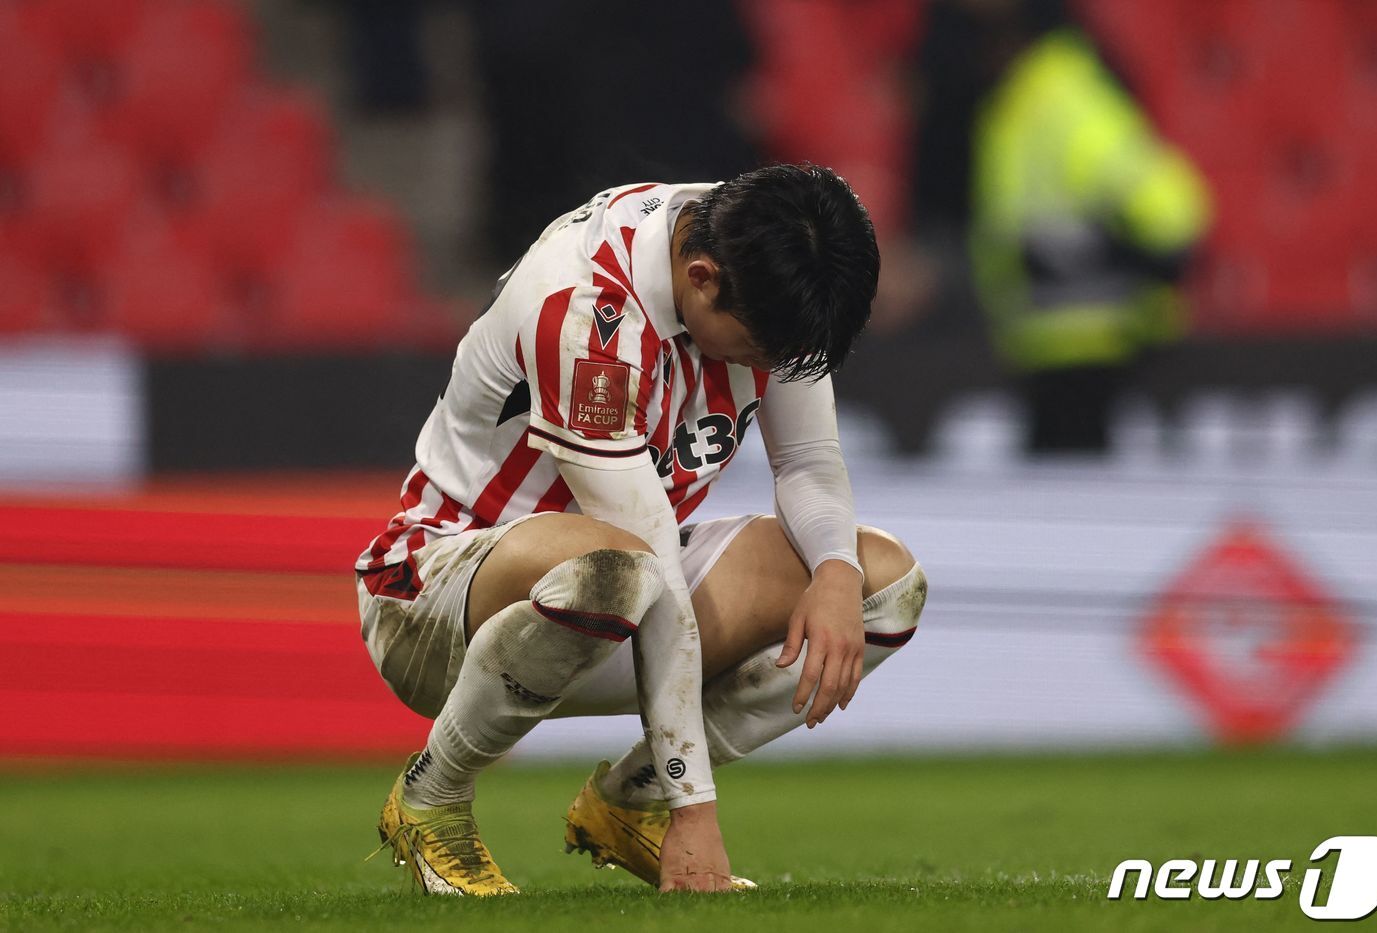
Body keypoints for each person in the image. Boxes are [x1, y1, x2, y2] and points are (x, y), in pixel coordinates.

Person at [356, 164, 928, 895]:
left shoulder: (765, 258)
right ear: (701, 278)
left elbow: (810, 462)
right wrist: (700, 810)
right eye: (757, 350)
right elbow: (649, 560)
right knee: (621, 566)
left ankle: (630, 803)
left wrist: (836, 575)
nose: (769, 368)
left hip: (619, 594)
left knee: (882, 583)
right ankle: (433, 795)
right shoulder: (588, 310)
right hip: (437, 601)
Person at [962, 0, 1211, 453]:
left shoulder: (1063, 98)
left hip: (1091, 349)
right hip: (1048, 347)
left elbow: (1172, 211)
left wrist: (1111, 261)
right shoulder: (1028, 97)